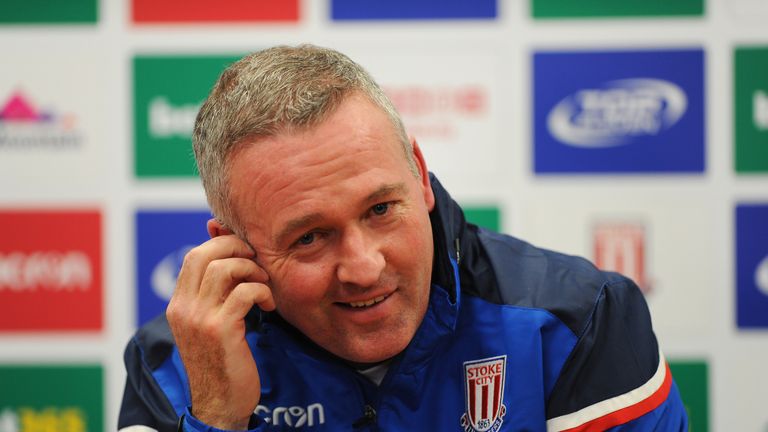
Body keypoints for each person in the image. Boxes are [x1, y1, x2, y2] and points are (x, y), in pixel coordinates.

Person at [118, 44, 688, 432]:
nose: (364, 267)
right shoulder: (175, 364)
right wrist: (214, 417)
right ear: (232, 246)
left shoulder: (578, 322)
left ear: (419, 173)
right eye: (311, 238)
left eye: (381, 208)